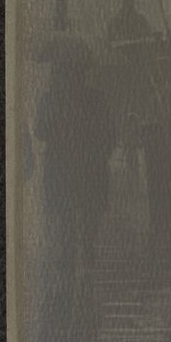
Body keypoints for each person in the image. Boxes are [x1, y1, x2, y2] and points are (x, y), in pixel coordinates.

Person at [34, 50, 116, 280]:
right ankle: (87, 244)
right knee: (89, 207)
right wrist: (103, 151)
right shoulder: (95, 98)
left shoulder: (50, 98)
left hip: (63, 163)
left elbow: (40, 131)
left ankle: (70, 251)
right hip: (89, 164)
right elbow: (109, 128)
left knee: (66, 209)